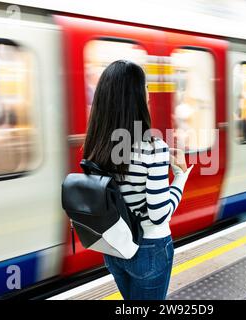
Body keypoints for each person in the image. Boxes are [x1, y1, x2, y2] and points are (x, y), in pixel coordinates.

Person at [81, 60, 193, 300]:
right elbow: (159, 214)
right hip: (149, 250)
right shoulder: (154, 148)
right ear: (138, 97)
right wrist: (181, 175)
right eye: (145, 87)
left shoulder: (95, 146)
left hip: (115, 247)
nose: (149, 92)